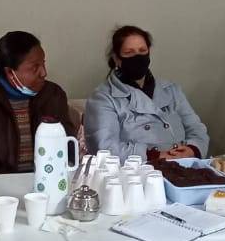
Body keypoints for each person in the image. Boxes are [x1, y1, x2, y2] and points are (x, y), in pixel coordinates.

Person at [0, 31, 76, 175]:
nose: (44, 72)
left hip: (48, 181)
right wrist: (18, 184)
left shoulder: (53, 94)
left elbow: (68, 147)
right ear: (10, 72)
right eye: (34, 67)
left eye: (43, 63)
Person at [85, 25, 210, 161]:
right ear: (117, 59)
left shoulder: (171, 89)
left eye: (142, 50)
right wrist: (155, 156)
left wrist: (192, 149)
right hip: (139, 174)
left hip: (186, 167)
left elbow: (196, 128)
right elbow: (105, 148)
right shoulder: (103, 97)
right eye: (129, 52)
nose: (137, 56)